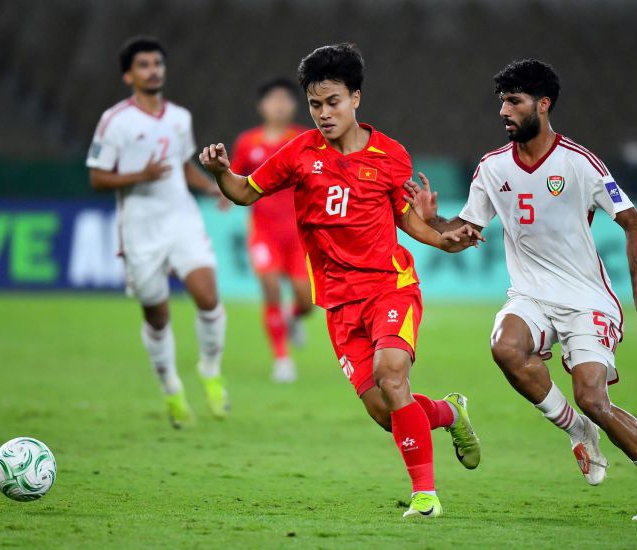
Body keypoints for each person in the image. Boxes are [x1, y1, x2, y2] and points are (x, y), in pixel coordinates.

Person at [405, 59, 637, 521]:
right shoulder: (492, 167)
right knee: (505, 347)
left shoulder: (578, 164)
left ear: (543, 105)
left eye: (515, 101)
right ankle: (576, 430)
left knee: (594, 398)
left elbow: (632, 221)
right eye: (502, 101)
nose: (504, 110)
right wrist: (430, 219)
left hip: (586, 300)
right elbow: (463, 232)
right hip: (531, 296)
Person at [200, 43, 482, 518]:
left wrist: (441, 237)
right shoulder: (299, 153)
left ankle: (425, 497)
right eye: (315, 104)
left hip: (390, 288)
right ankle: (450, 412)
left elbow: (406, 219)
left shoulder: (390, 155)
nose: (324, 114)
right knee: (384, 410)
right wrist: (221, 172)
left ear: (355, 98)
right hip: (337, 302)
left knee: (394, 379)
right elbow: (245, 192)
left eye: (333, 102)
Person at [86, 36, 229, 429]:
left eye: (157, 64)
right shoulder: (115, 121)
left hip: (181, 218)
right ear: (128, 75)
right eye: (144, 65)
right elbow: (98, 178)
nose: (153, 71)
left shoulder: (180, 117)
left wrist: (210, 187)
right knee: (158, 317)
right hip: (139, 228)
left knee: (207, 295)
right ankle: (171, 388)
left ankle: (211, 370)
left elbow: (181, 166)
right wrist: (140, 175)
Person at [229, 78, 312, 383]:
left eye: (284, 100)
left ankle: (293, 318)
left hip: (300, 233)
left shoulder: (304, 138)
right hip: (264, 231)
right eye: (272, 100)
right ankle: (282, 359)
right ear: (261, 106)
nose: (278, 105)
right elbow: (236, 177)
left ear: (293, 105)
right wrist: (226, 197)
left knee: (306, 299)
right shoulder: (247, 142)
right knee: (271, 288)